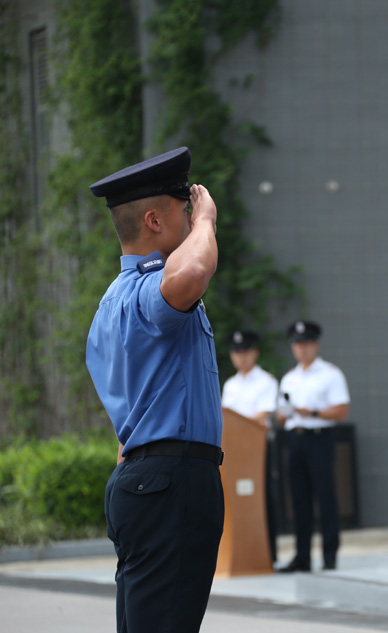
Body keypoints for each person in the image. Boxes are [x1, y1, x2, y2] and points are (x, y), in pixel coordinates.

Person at [85, 147, 224, 633]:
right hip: (172, 481)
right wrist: (207, 221)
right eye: (183, 209)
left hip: (145, 477)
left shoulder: (110, 304)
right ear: (154, 220)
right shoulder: (151, 292)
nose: (192, 217)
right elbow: (191, 272)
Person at [275, 320, 350, 572]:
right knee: (299, 499)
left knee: (325, 496)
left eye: (306, 343)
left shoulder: (330, 373)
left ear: (315, 344)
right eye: (297, 344)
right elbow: (280, 413)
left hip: (319, 438)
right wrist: (283, 415)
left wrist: (314, 412)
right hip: (295, 439)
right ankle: (302, 556)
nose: (301, 349)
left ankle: (330, 555)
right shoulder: (289, 378)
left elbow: (341, 411)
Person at [221, 329, 280, 561]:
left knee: (262, 500)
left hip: (257, 451)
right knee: (233, 502)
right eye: (236, 352)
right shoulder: (230, 384)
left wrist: (238, 425)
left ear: (254, 353)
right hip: (233, 453)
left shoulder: (266, 381)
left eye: (245, 351)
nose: (240, 357)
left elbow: (263, 416)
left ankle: (268, 554)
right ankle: (239, 555)